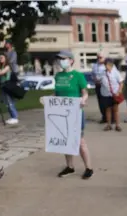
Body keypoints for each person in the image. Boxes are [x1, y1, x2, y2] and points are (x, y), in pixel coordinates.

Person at [50, 50, 93, 179]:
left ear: (71, 60)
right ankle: (70, 166)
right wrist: (48, 100)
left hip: (75, 112)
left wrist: (83, 100)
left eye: (63, 59)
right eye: (59, 59)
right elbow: (57, 94)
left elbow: (84, 92)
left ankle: (89, 168)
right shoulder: (58, 76)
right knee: (65, 140)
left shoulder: (78, 76)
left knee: (80, 141)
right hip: (61, 112)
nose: (61, 61)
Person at [0, 54, 19, 124]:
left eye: (2, 57)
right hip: (3, 86)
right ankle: (13, 117)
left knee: (9, 102)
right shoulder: (1, 66)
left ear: (6, 58)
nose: (0, 58)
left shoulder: (8, 66)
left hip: (8, 85)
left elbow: (1, 72)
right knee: (7, 102)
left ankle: (15, 117)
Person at [100, 58, 124, 131]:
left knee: (115, 110)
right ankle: (109, 125)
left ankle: (117, 125)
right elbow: (99, 81)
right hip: (106, 94)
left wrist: (118, 92)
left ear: (111, 65)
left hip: (115, 94)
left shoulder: (115, 72)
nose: (107, 66)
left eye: (108, 65)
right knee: (108, 110)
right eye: (106, 65)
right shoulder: (103, 73)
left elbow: (121, 83)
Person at [91, 52, 108, 123]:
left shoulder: (107, 65)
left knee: (106, 103)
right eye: (97, 57)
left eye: (100, 57)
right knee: (100, 102)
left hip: (105, 86)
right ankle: (104, 117)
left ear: (104, 58)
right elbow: (92, 75)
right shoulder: (95, 65)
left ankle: (109, 118)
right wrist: (94, 79)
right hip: (98, 86)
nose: (98, 59)